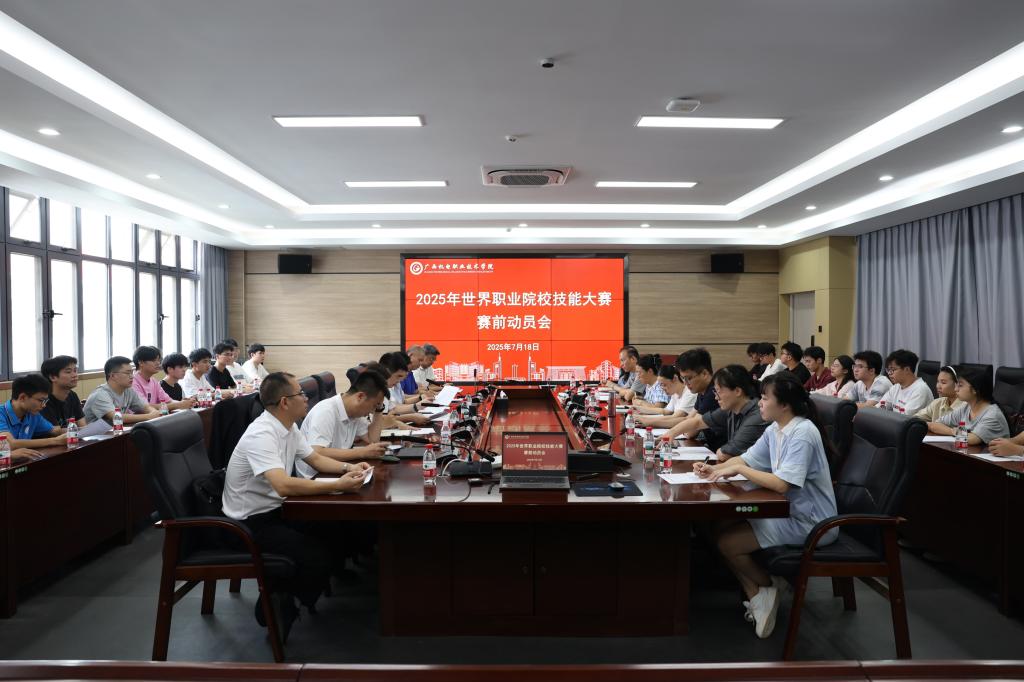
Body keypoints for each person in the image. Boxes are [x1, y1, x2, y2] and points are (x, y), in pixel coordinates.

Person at [221, 372, 369, 639]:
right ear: (284, 402)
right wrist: (338, 485)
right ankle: (275, 603)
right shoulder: (262, 433)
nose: (306, 398)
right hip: (248, 524)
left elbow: (315, 459)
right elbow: (283, 485)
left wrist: (350, 468)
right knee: (315, 556)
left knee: (337, 530)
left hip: (277, 510)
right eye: (300, 394)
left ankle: (287, 591)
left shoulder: (288, 426)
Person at [694, 371, 838, 639]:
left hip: (812, 522)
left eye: (764, 398)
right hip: (787, 511)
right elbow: (746, 459)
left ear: (784, 404)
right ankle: (763, 592)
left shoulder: (803, 432)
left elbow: (782, 484)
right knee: (720, 526)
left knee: (728, 543)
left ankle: (764, 589)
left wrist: (738, 469)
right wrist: (713, 469)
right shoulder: (776, 428)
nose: (759, 402)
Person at [296, 368, 390, 478]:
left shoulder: (355, 412)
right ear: (360, 397)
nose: (372, 411)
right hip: (314, 476)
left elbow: (372, 439)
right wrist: (362, 452)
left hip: (337, 469)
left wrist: (379, 409)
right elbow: (317, 452)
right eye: (374, 405)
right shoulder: (326, 411)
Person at [663, 364, 768, 460]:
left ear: (737, 391)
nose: (716, 397)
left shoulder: (756, 416)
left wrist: (720, 451)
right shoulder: (731, 409)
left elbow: (726, 454)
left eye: (719, 392)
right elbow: (698, 422)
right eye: (715, 392)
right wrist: (671, 433)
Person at [928, 366, 1010, 445]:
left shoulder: (992, 414)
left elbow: (972, 439)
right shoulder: (966, 408)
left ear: (975, 390)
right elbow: (935, 424)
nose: (956, 389)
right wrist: (954, 431)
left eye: (960, 385)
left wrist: (954, 431)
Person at [83, 357, 160, 425]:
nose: (132, 376)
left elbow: (145, 407)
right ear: (113, 376)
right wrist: (148, 416)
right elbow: (116, 417)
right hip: (94, 435)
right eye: (127, 373)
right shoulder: (100, 394)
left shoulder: (128, 390)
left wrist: (153, 412)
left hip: (115, 432)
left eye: (132, 372)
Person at [0, 374, 67, 449]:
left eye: (45, 401)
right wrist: (55, 441)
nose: (44, 405)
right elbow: (8, 443)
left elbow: (53, 430)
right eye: (41, 400)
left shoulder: (32, 415)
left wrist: (73, 430)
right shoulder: (1, 414)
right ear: (22, 397)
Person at [131, 346, 195, 411]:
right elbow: (144, 407)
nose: (158, 363)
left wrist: (184, 403)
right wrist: (178, 404)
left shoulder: (153, 381)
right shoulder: (132, 381)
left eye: (158, 360)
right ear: (141, 362)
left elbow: (169, 401)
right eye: (154, 360)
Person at [877, 349, 933, 415]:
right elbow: (879, 408)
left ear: (907, 369)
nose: (889, 373)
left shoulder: (920, 390)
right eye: (888, 370)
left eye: (893, 369)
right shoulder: (896, 387)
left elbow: (904, 418)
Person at [39, 355, 87, 427]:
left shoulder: (72, 395)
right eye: (68, 372)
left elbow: (83, 426)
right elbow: (54, 431)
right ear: (52, 377)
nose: (75, 375)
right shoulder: (43, 401)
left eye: (75, 371)